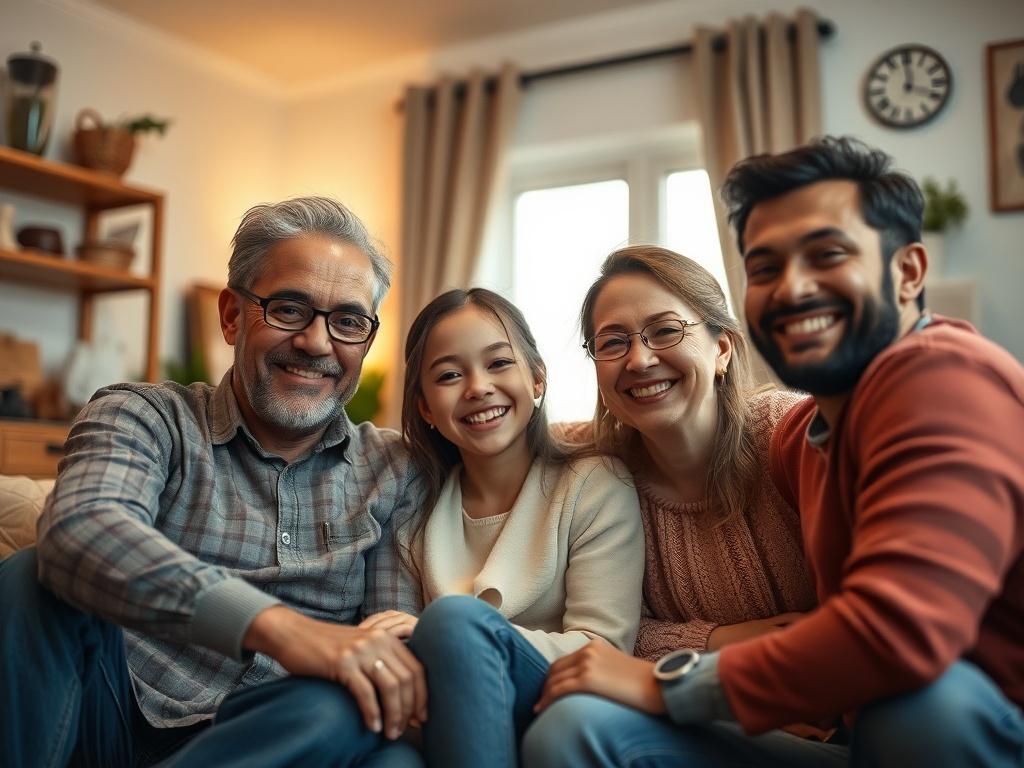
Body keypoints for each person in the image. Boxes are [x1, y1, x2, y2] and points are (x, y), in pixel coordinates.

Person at [525, 136, 1024, 767]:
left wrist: (667, 682)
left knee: (920, 708)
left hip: (962, 722)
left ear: (908, 272)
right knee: (574, 728)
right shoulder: (818, 428)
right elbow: (527, 441)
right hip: (840, 730)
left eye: (828, 255)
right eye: (765, 268)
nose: (792, 288)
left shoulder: (941, 378)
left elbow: (901, 631)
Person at [0, 196, 429, 767]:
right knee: (28, 575)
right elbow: (81, 528)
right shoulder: (145, 416)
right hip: (114, 711)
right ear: (232, 315)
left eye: (348, 321)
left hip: (279, 737)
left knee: (350, 717)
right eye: (288, 308)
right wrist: (280, 631)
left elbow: (386, 653)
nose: (317, 343)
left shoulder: (395, 470)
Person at [358, 287, 644, 767]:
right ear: (425, 408)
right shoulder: (412, 509)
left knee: (452, 620)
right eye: (449, 375)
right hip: (445, 720)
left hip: (561, 711)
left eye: (498, 364)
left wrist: (457, 636)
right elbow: (394, 655)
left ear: (536, 378)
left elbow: (604, 649)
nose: (476, 387)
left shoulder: (595, 484)